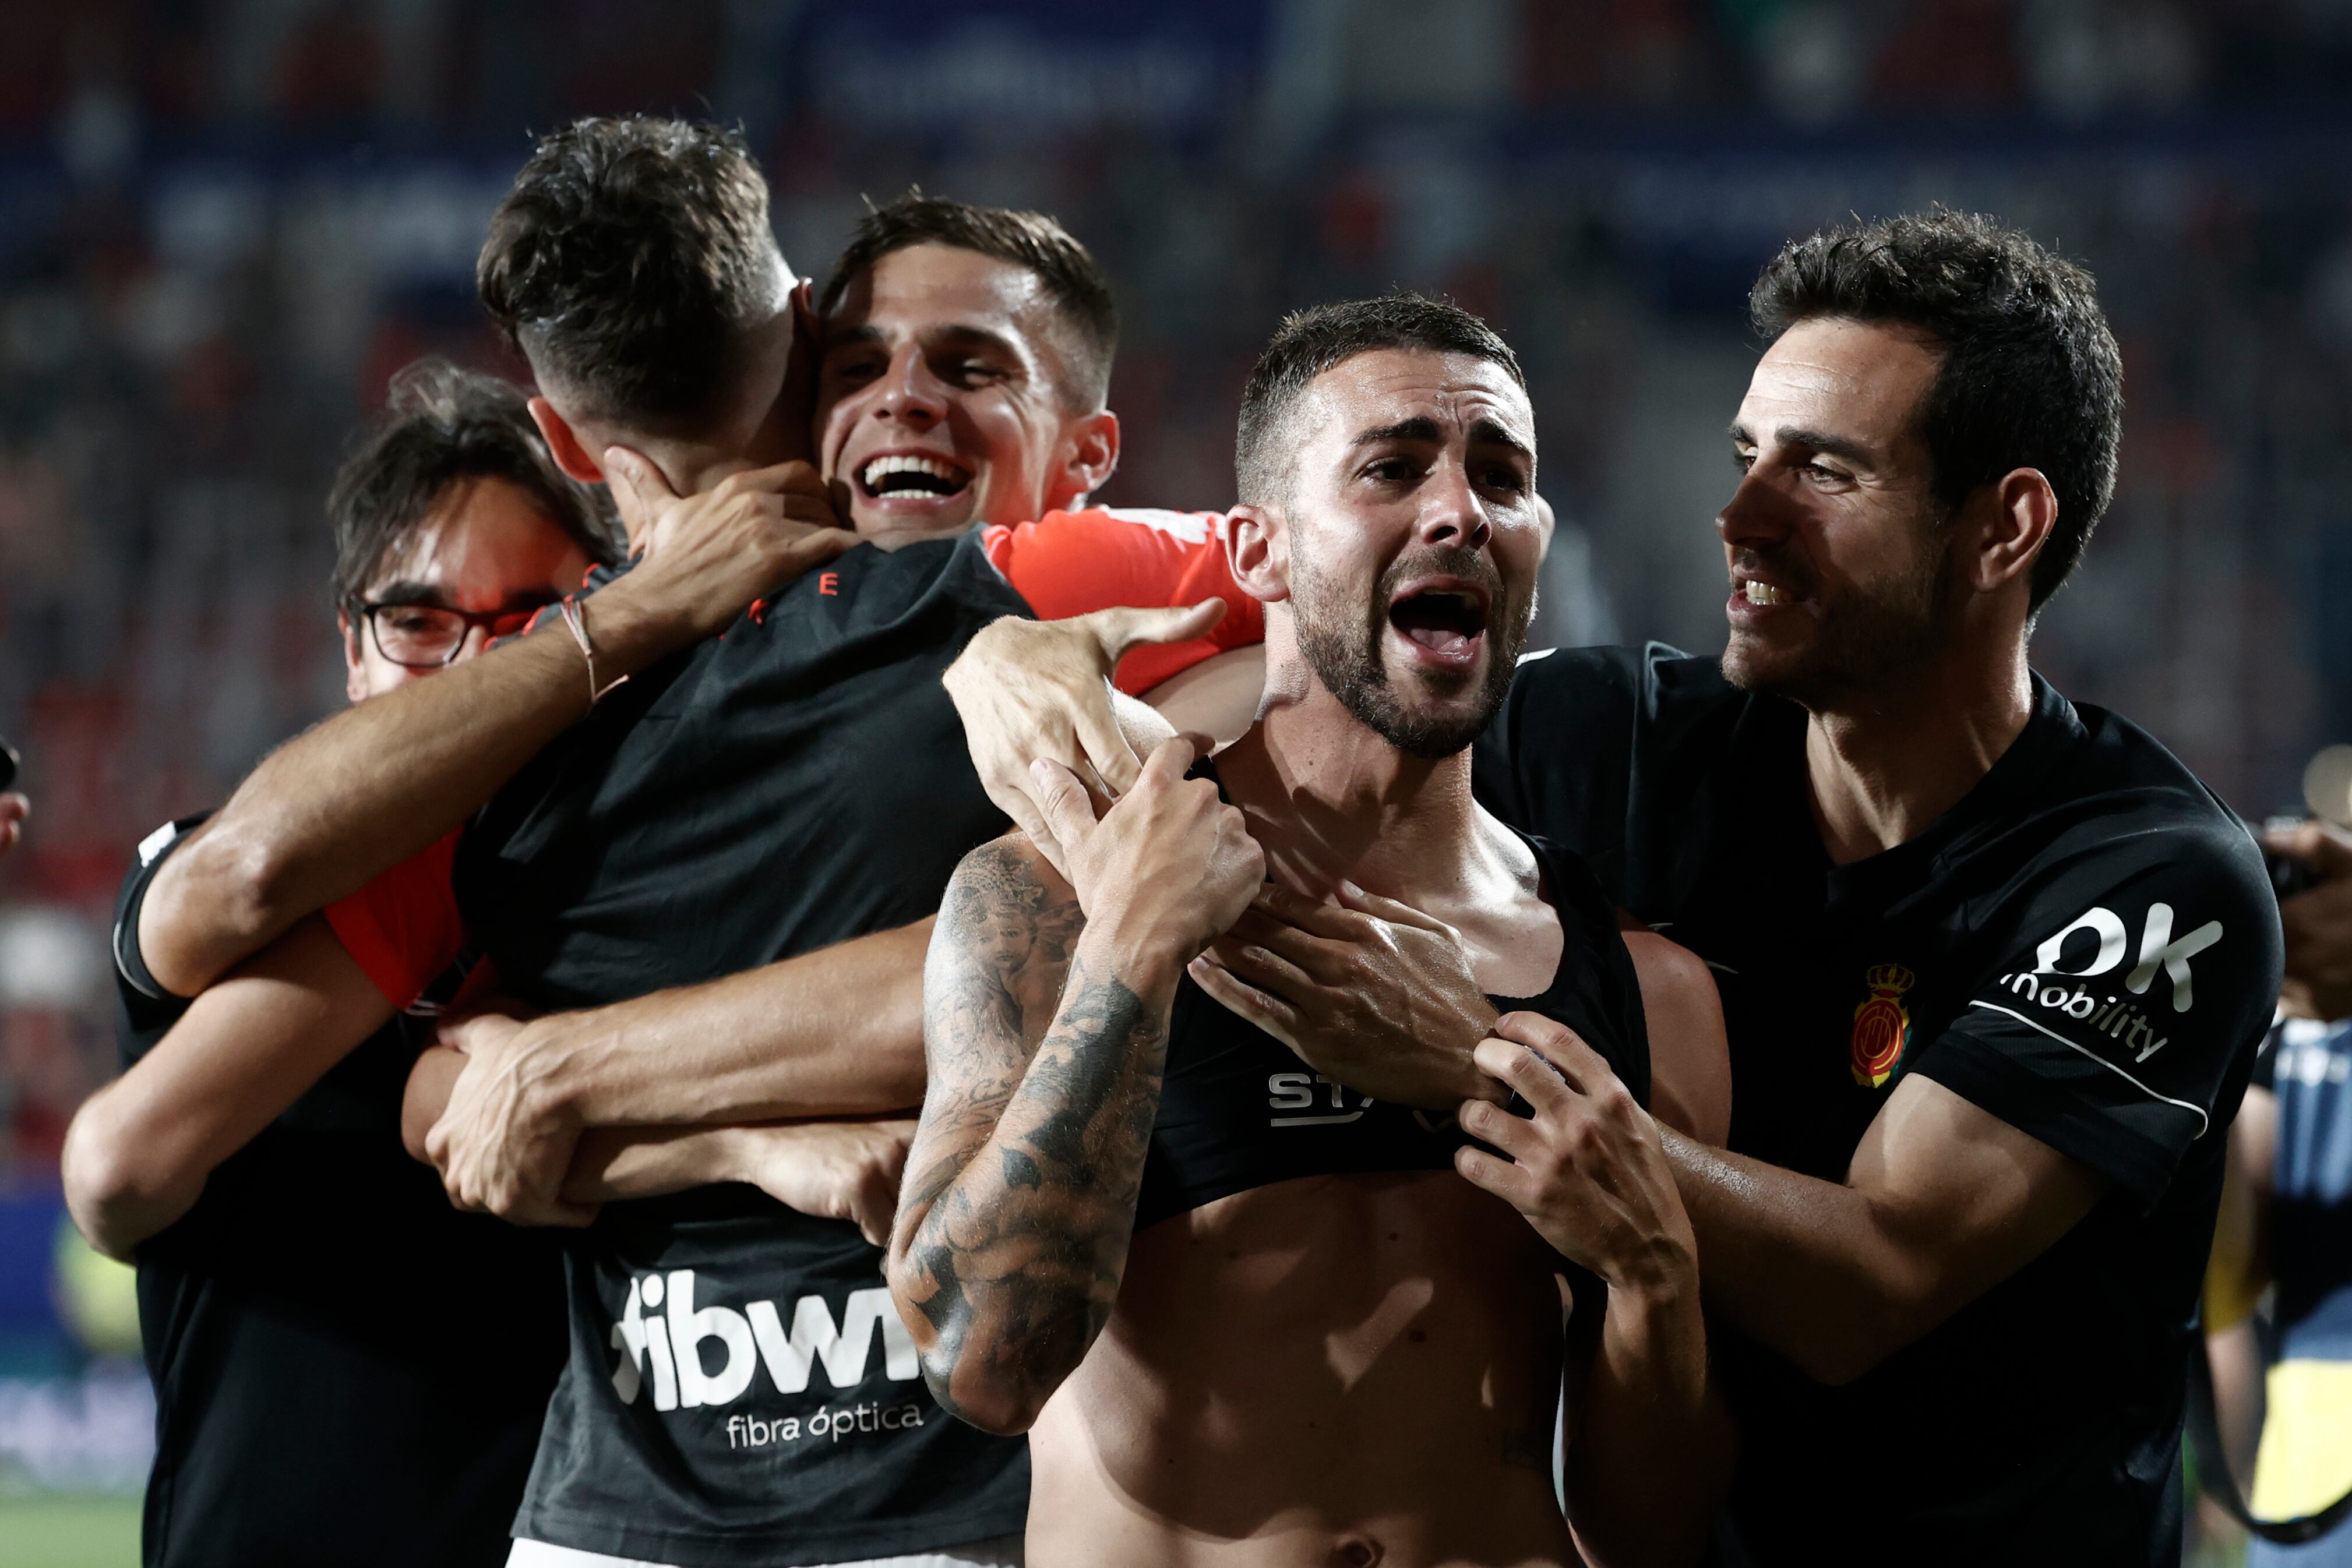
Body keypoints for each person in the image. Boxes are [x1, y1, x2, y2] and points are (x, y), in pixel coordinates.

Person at [937, 211, 2283, 1566]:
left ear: (2006, 528)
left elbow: (1874, 1281)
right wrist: (1019, 669)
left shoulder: (2155, 876)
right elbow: (1327, 690)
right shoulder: (1624, 736)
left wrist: (1473, 1059)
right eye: (1749, 457)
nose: (1741, 517)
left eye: (1824, 471)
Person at [135, 119, 1278, 1568]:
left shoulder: (496, 737)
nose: (906, 398)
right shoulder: (1014, 590)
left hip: (626, 1514)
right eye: (866, 360)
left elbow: (199, 1010)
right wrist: (733, 1135)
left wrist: (560, 1070)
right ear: (802, 338)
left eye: (965, 367)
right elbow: (1348, 603)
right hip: (918, 1498)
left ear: (565, 441)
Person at [889, 294, 1731, 1568]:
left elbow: (1650, 1535)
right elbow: (983, 1365)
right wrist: (1134, 951)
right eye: (1393, 468)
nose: (1460, 511)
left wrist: (1655, 1275)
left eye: (1502, 478)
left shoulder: (1648, 987)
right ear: (1259, 549)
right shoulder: (1055, 895)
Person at [59, 362, 606, 1568]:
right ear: (351, 649)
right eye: (418, 623)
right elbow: (115, 1177)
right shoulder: (211, 891)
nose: (475, 673)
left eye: (529, 624)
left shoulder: (645, 908)